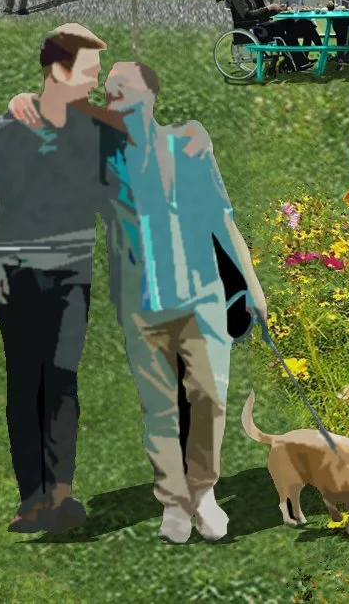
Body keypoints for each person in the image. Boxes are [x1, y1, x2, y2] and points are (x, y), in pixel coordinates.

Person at [0, 25, 130, 535]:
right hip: (16, 277)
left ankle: (61, 495)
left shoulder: (98, 132)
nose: (96, 83)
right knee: (25, 384)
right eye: (90, 73)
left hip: (73, 276)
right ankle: (30, 500)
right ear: (58, 69)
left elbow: (121, 195)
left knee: (62, 381)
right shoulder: (1, 132)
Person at [100, 62, 266, 543]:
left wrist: (253, 288)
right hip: (141, 305)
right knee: (160, 409)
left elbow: (221, 218)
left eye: (123, 90)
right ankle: (173, 503)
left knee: (208, 399)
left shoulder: (189, 142)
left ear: (150, 96)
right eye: (109, 93)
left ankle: (204, 493)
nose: (114, 101)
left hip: (202, 298)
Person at [226, 0, 305, 72]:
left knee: (289, 22)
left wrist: (278, 9)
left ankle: (299, 62)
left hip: (259, 25)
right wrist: (269, 8)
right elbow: (247, 14)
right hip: (248, 29)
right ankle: (296, 63)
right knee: (281, 27)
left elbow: (263, 11)